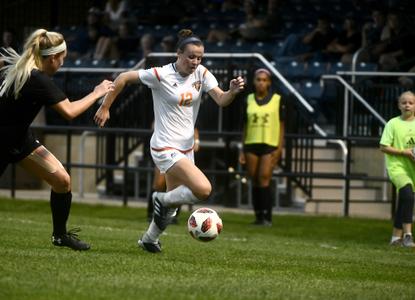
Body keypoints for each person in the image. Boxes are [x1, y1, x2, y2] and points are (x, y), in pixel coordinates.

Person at [94, 29, 245, 253]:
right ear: (178, 54)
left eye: (200, 57)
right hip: (165, 146)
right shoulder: (160, 74)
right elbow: (124, 77)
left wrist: (231, 91)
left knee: (172, 208)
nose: (196, 61)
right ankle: (160, 198)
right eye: (191, 56)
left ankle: (149, 239)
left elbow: (222, 100)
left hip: (186, 148)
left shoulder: (201, 74)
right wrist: (105, 106)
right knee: (203, 190)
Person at [0, 29, 114, 250]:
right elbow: (69, 112)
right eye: (62, 57)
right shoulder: (37, 78)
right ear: (52, 58)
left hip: (20, 139)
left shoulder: (20, 66)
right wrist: (97, 92)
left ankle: (60, 236)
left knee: (62, 180)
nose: (63, 62)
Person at [239, 68, 285, 226]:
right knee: (254, 179)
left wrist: (280, 148)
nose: (261, 82)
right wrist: (242, 149)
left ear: (269, 82)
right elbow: (244, 125)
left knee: (264, 178)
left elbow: (282, 125)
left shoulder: (277, 100)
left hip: (269, 144)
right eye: (258, 79)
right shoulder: (248, 99)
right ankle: (258, 215)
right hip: (251, 143)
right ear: (254, 81)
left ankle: (267, 216)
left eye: (264, 80)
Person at [380, 91, 415, 248]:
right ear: (399, 105)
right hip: (397, 167)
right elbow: (384, 146)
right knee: (407, 193)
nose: (407, 105)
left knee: (405, 201)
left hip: (412, 168)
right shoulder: (392, 124)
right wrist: (404, 152)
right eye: (404, 102)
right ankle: (408, 235)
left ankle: (395, 238)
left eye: (411, 102)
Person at [146, 127, 200, 223]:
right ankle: (152, 212)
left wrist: (196, 141)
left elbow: (194, 126)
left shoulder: (189, 113)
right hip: (165, 145)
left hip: (182, 148)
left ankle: (173, 215)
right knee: (159, 183)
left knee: (178, 184)